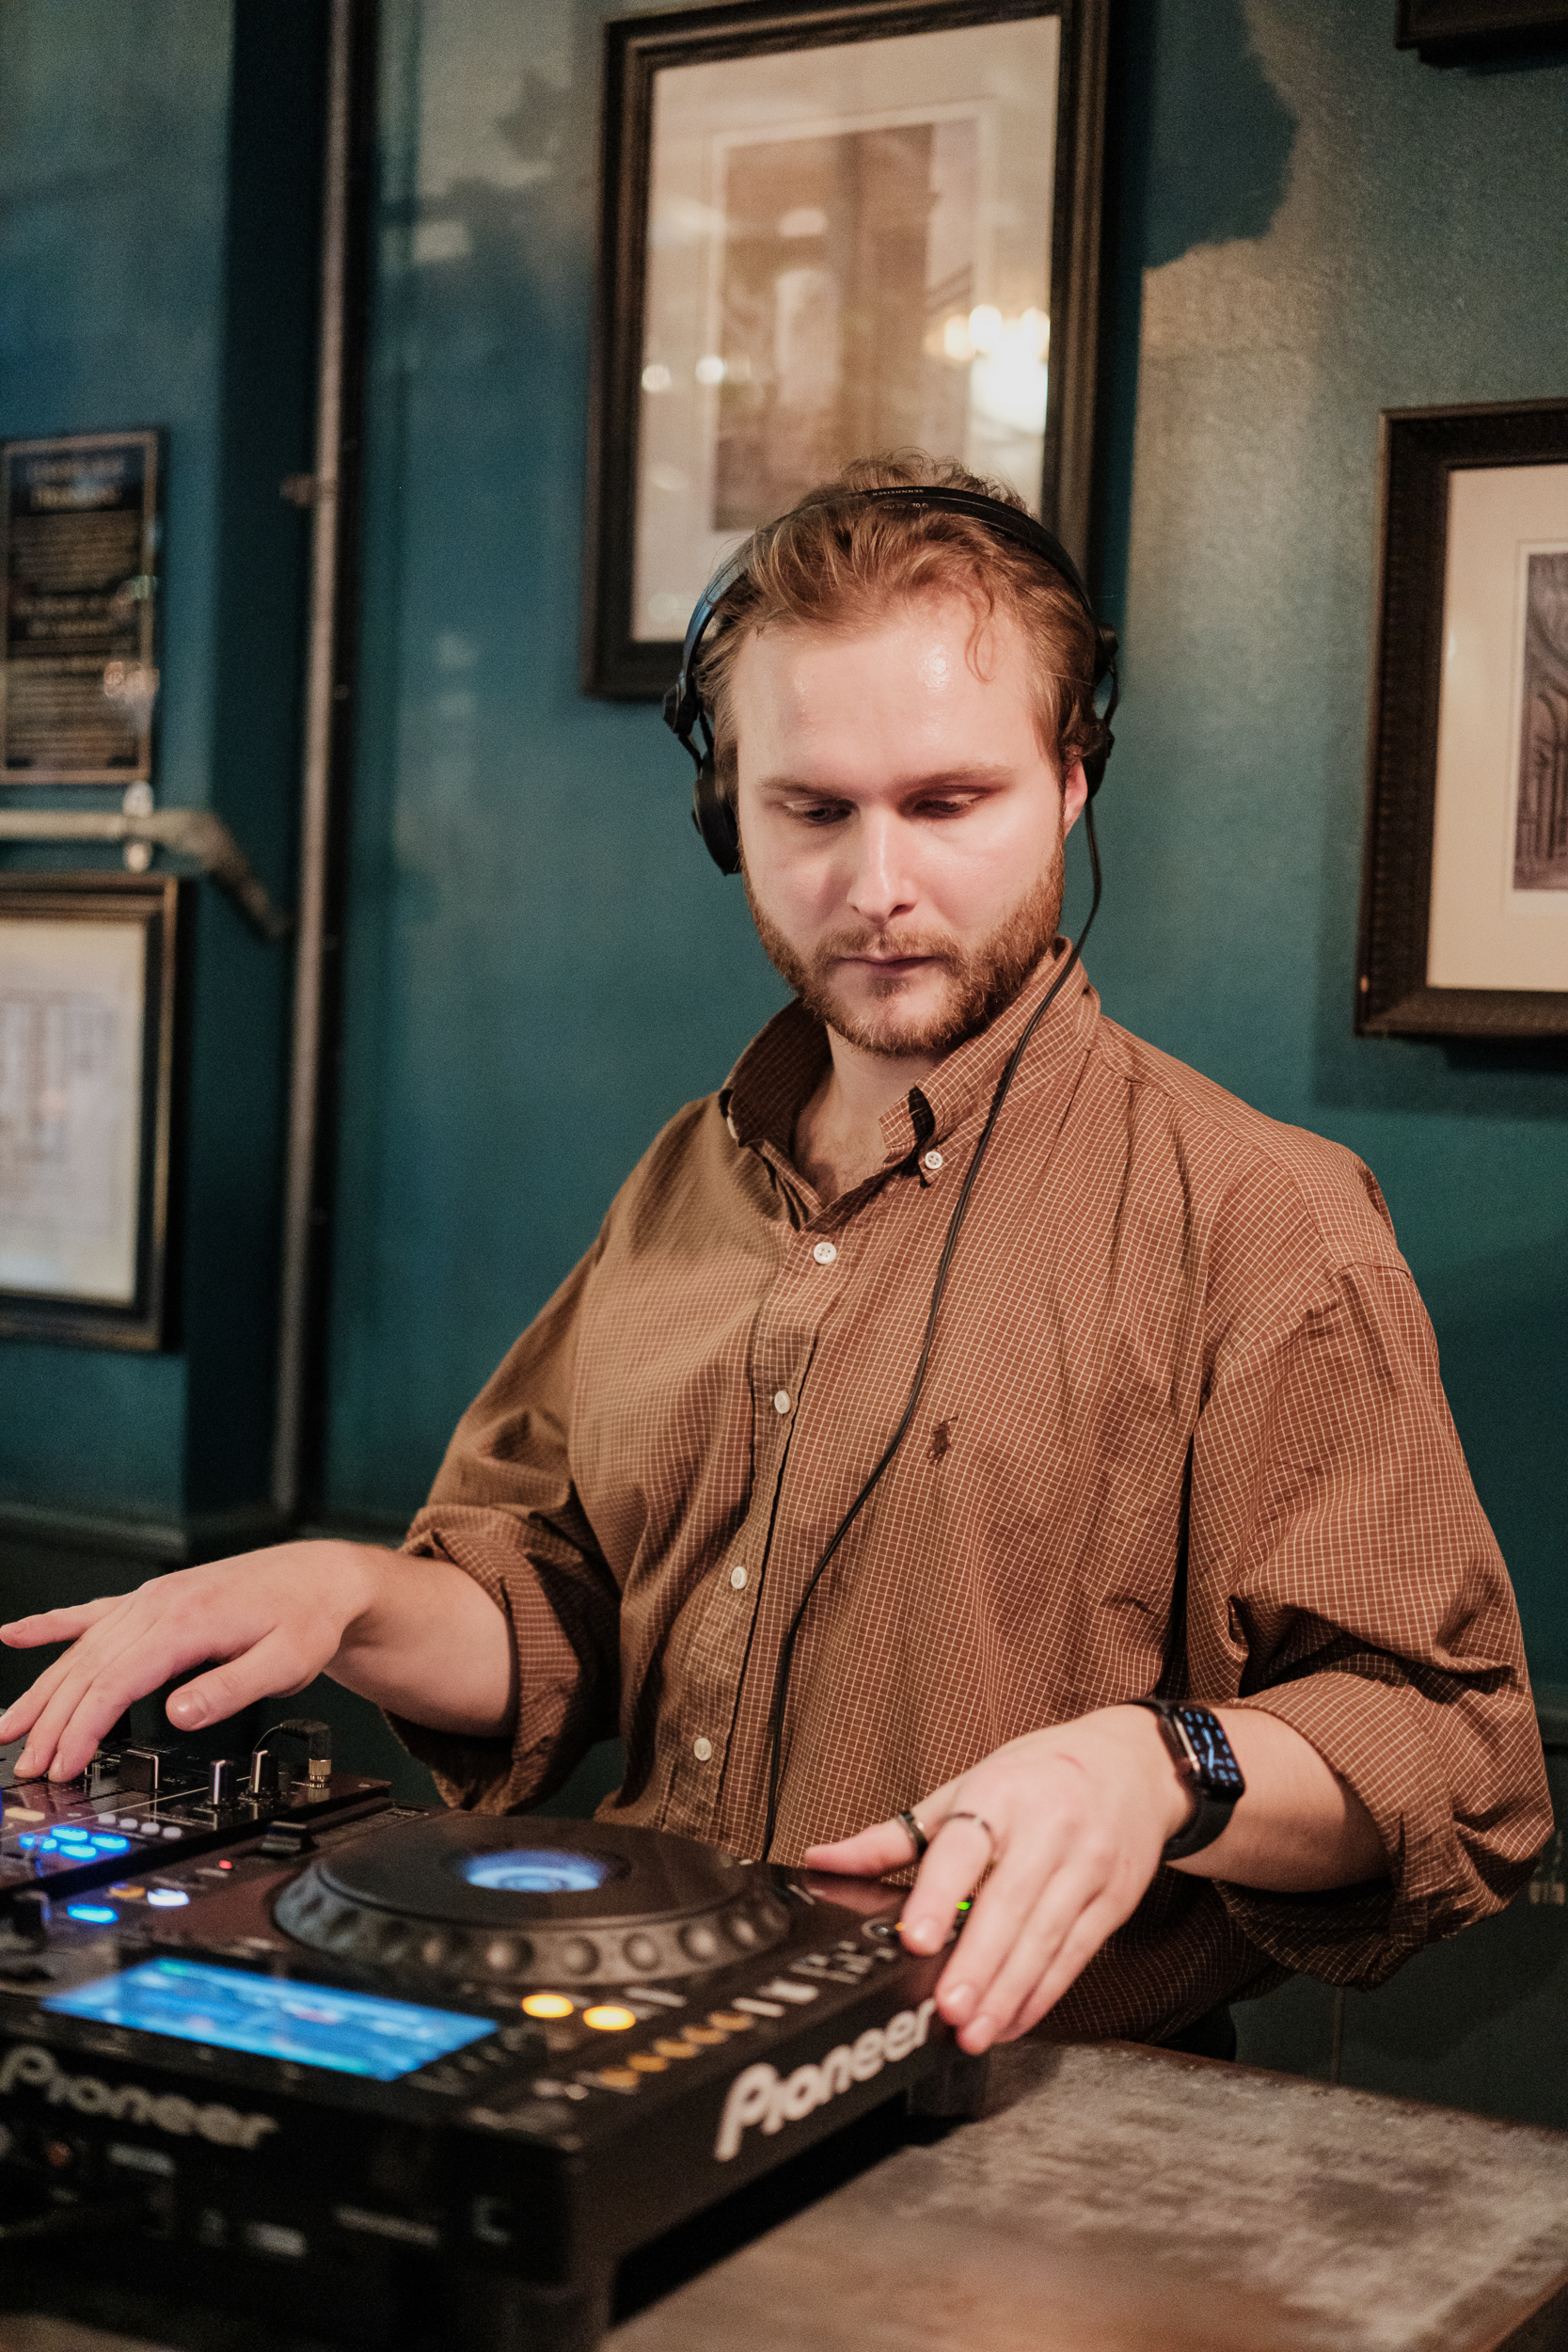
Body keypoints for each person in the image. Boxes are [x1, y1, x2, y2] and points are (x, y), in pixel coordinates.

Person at [0, 453, 1548, 2059]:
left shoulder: (1260, 1215)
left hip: (1021, 2109)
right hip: (640, 2048)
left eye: (949, 805)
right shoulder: (691, 1168)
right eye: (812, 811)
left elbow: (1454, 1752)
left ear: (1072, 782)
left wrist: (1160, 1768)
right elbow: (559, 1615)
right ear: (724, 813)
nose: (878, 888)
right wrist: (344, 1594)